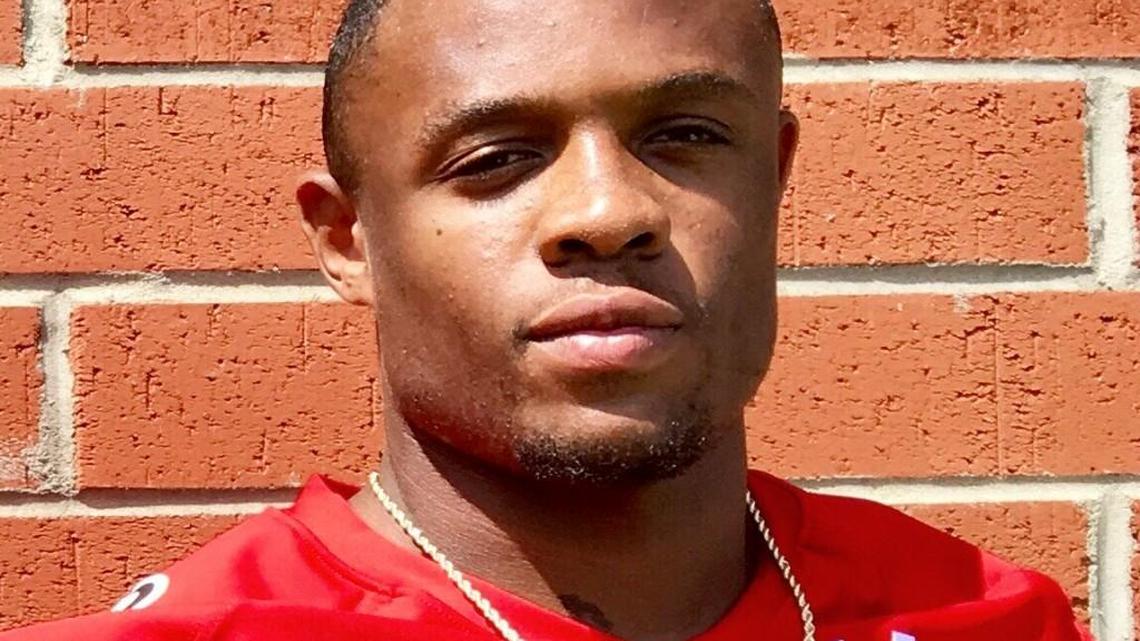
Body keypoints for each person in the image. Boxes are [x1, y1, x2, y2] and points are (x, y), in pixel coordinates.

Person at [3, 1, 1091, 640]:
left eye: (685, 136)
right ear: (349, 241)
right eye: (497, 158)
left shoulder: (991, 618)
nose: (607, 212)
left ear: (775, 175)